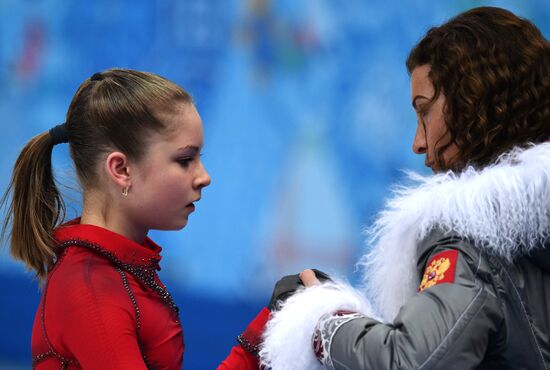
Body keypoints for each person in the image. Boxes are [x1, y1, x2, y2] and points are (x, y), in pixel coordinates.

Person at [259, 6, 550, 369]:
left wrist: (319, 318)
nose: (417, 142)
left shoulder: (471, 242)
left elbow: (411, 360)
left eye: (423, 110)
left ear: (475, 100)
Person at [1, 68, 270, 369]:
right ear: (121, 170)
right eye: (185, 160)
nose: (204, 178)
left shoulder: (114, 270)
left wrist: (272, 324)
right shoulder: (90, 290)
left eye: (199, 159)